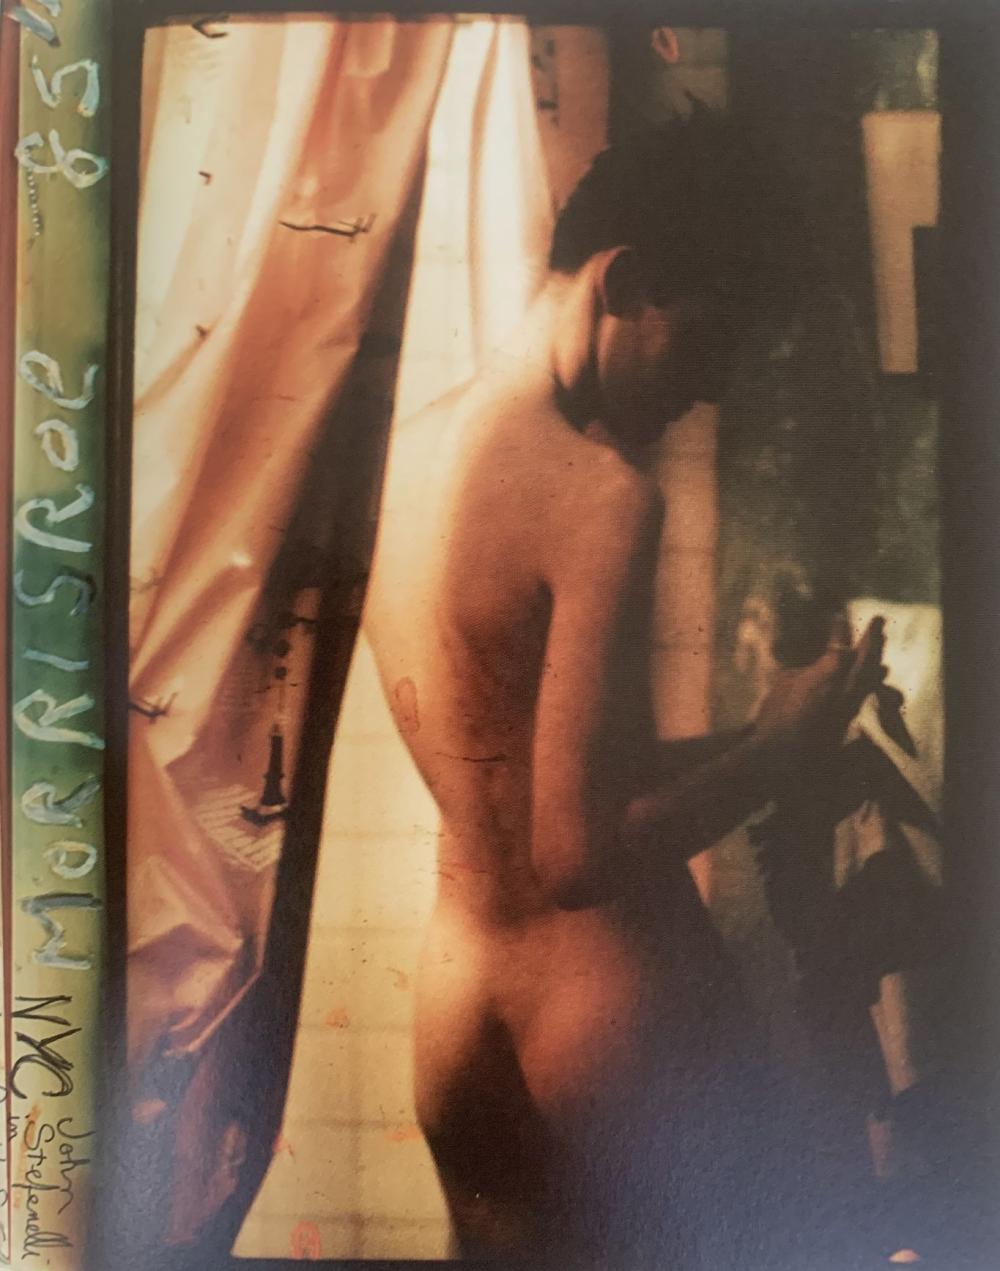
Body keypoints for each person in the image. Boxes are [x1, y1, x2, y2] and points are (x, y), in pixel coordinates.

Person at [363, 113, 886, 1268]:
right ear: (627, 281)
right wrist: (776, 755)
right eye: (710, 340)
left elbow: (535, 767)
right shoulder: (599, 492)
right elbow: (580, 853)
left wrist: (767, 724)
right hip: (599, 1009)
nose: (711, 387)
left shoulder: (407, 454)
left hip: (457, 1002)